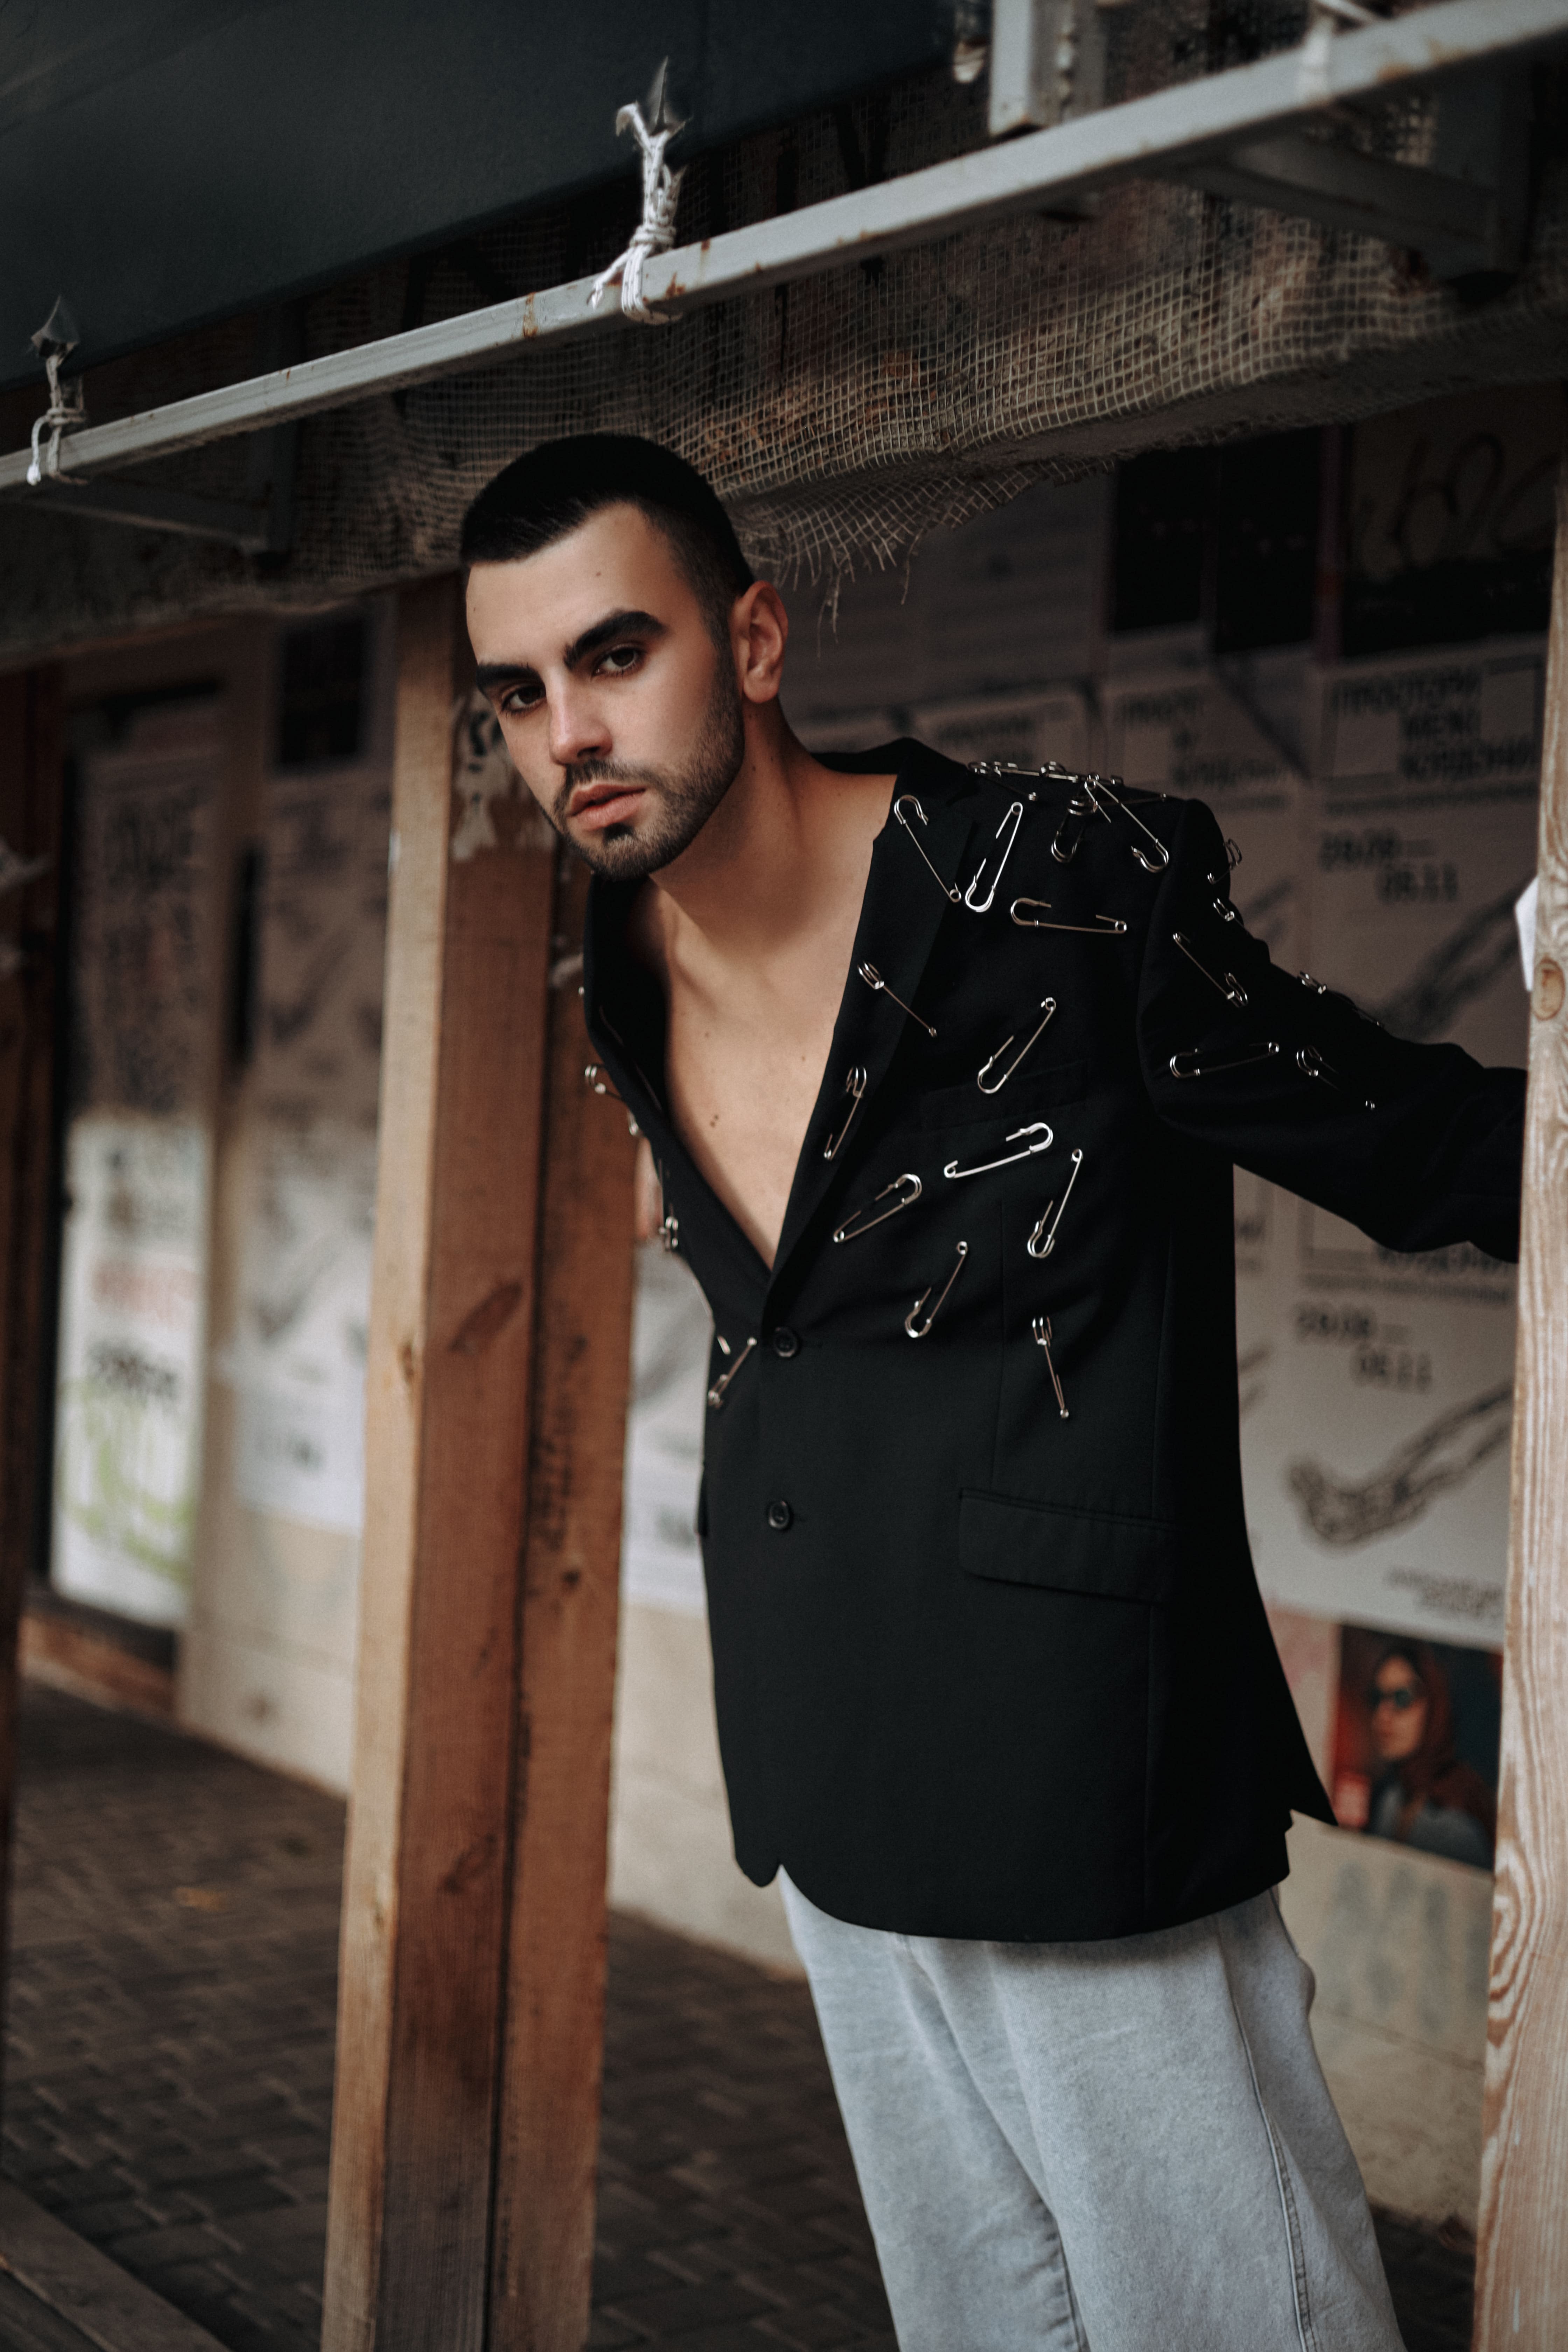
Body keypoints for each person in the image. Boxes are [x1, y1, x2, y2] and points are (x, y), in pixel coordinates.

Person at [461, 434, 1525, 2352]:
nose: (570, 734)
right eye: (519, 693)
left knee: (1236, 2319)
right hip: (819, 1742)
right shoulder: (621, 953)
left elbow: (1406, 1136)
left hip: (1073, 1764)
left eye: (615, 655)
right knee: (973, 2318)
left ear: (754, 638)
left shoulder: (1054, 882)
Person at [1363, 1643, 1496, 1870]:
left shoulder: (1459, 1816)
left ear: (1435, 1708)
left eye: (1402, 1698)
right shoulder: (1391, 1799)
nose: (1383, 1715)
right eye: (1378, 1698)